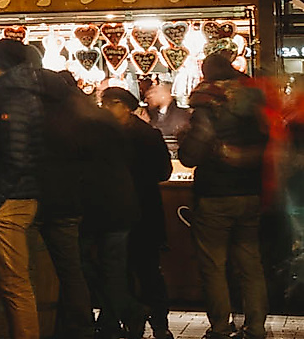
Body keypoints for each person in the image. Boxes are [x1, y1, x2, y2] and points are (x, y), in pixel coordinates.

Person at [180, 53, 268, 339]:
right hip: (250, 191)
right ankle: (255, 327)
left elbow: (196, 147)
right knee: (251, 265)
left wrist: (187, 148)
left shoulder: (208, 100)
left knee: (214, 265)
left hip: (216, 193)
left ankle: (220, 327)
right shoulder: (254, 98)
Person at [0, 38, 46, 339]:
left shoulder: (12, 98)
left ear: (0, 63)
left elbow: (15, 155)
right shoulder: (22, 93)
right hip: (18, 195)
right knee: (14, 282)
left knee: (14, 283)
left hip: (10, 200)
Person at [101, 86, 173, 339]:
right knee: (147, 269)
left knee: (126, 269)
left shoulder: (109, 136)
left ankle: (136, 321)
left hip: (121, 210)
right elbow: (164, 172)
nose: (103, 108)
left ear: (121, 104)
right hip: (144, 208)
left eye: (107, 103)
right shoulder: (149, 134)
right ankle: (157, 324)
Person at [35, 70, 95, 339]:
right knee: (72, 268)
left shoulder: (42, 120)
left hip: (48, 202)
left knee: (49, 269)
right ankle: (79, 325)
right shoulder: (79, 117)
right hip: (72, 201)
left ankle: (61, 324)